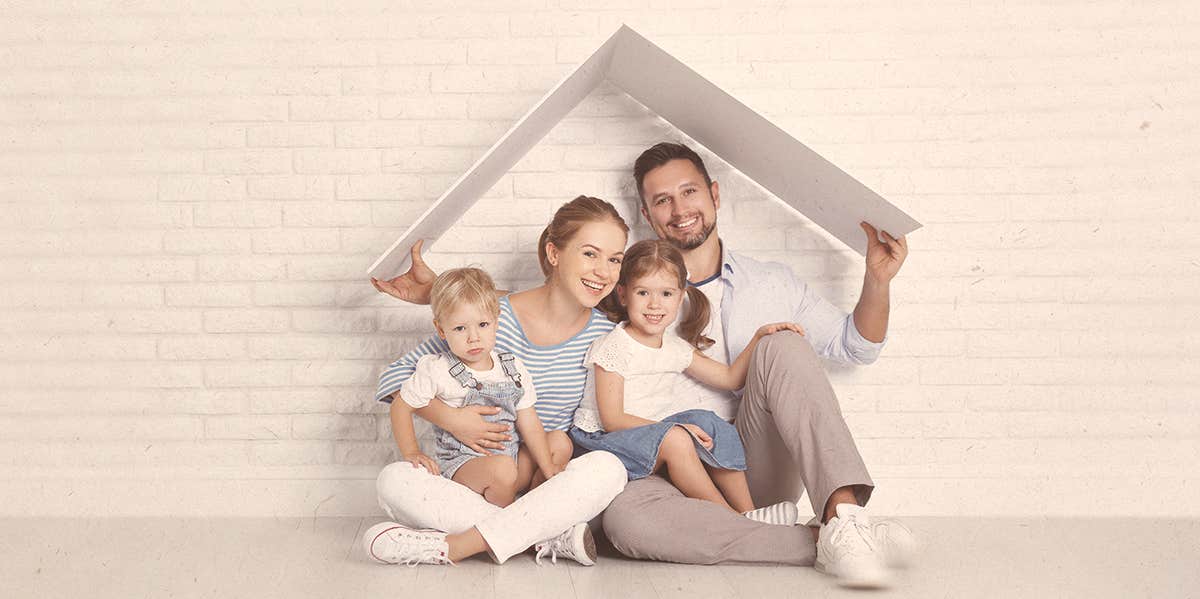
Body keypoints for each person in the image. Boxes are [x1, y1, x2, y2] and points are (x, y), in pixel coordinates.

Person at [598, 142, 916, 589]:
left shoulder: (772, 283)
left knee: (781, 343)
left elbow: (856, 346)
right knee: (626, 523)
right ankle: (831, 540)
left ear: (714, 194)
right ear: (647, 216)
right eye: (662, 200)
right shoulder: (630, 293)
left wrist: (877, 281)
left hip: (749, 467)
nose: (679, 209)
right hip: (663, 473)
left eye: (689, 192)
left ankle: (844, 512)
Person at [363, 196, 631, 567]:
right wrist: (452, 419)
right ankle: (542, 536)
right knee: (394, 480)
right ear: (554, 253)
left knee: (608, 468)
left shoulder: (608, 338)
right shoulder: (492, 317)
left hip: (542, 480)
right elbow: (395, 379)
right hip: (479, 476)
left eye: (614, 259)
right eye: (590, 254)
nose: (603, 271)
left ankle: (455, 546)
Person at [570, 239, 802, 525]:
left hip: (650, 435)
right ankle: (735, 521)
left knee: (709, 422)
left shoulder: (674, 347)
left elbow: (729, 379)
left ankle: (748, 511)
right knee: (678, 438)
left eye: (666, 293)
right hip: (601, 440)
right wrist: (674, 428)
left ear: (680, 298)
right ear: (623, 295)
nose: (655, 304)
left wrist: (758, 338)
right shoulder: (615, 346)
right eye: (643, 292)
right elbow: (613, 419)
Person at [390, 267, 565, 508]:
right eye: (460, 328)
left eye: (482, 324)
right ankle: (502, 529)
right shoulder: (437, 369)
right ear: (441, 329)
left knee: (558, 442)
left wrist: (548, 469)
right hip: (467, 467)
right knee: (502, 469)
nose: (473, 337)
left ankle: (531, 511)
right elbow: (400, 406)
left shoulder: (512, 366)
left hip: (511, 462)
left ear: (496, 321)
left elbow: (529, 422)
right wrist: (412, 452)